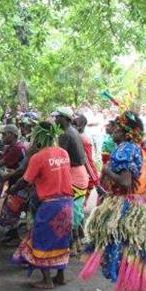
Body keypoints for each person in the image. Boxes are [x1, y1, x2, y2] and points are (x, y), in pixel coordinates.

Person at [79, 111, 146, 291]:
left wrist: (107, 171)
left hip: (128, 208)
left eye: (116, 128)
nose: (112, 132)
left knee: (124, 254)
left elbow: (125, 183)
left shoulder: (126, 149)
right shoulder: (139, 149)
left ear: (126, 132)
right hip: (141, 205)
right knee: (135, 253)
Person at [9, 122, 73, 289]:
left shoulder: (38, 157)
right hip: (66, 203)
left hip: (49, 204)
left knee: (41, 240)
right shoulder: (63, 153)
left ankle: (47, 280)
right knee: (61, 239)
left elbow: (25, 180)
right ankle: (60, 275)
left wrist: (13, 188)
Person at [53, 107, 89, 249]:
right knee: (74, 208)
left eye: (58, 118)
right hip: (79, 173)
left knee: (69, 209)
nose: (56, 120)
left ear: (65, 118)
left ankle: (73, 243)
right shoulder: (72, 131)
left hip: (75, 175)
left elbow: (59, 157)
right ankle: (79, 239)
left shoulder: (66, 134)